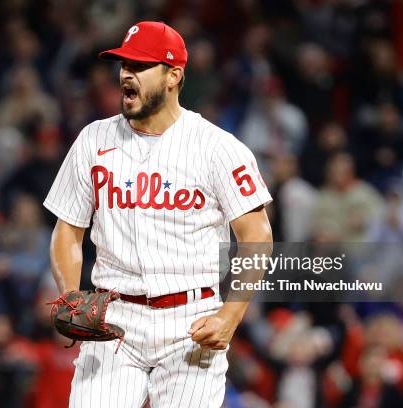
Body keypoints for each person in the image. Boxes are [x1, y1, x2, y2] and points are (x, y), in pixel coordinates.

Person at [43, 21, 273, 408]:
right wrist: (69, 292)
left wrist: (231, 315)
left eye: (139, 66)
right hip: (112, 320)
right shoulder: (93, 140)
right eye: (123, 65)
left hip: (191, 322)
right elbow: (68, 229)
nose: (126, 75)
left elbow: (257, 236)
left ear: (173, 76)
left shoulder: (217, 147)